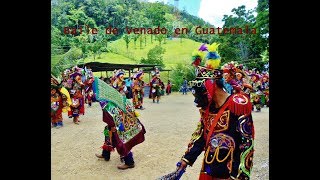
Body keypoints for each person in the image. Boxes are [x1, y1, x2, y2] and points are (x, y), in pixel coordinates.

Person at [160, 42, 254, 180]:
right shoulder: (207, 109)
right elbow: (200, 138)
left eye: (201, 86)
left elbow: (246, 144)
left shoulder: (238, 104)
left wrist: (238, 176)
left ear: (212, 84)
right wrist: (184, 163)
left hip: (229, 174)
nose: (198, 93)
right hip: (208, 169)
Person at [93, 76, 146, 170]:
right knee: (108, 135)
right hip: (118, 122)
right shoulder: (112, 97)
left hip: (120, 124)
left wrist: (113, 126)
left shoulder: (107, 103)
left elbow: (112, 115)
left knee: (121, 142)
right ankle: (106, 154)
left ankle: (129, 162)